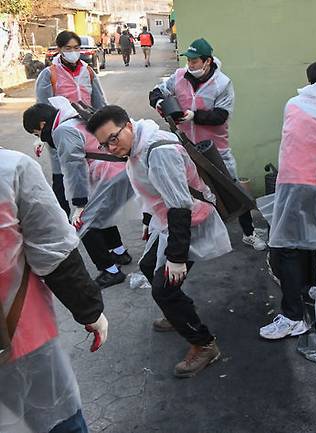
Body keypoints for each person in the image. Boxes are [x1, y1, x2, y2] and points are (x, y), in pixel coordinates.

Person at [87, 105, 232, 378]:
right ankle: (177, 311)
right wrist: (148, 221)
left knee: (164, 289)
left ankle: (204, 344)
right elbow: (152, 190)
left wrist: (177, 258)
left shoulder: (159, 151)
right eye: (105, 144)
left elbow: (180, 207)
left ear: (128, 125)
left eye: (114, 139)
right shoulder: (136, 146)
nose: (110, 148)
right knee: (148, 267)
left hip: (189, 222)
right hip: (166, 221)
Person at [0, 147, 108, 433]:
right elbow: (53, 249)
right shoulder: (11, 169)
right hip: (21, 337)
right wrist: (90, 310)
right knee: (57, 420)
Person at [148, 37, 266, 251]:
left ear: (207, 61)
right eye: (189, 60)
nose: (190, 64)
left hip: (215, 149)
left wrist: (194, 116)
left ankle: (248, 233)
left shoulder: (222, 83)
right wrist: (160, 103)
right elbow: (156, 92)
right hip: (184, 147)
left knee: (232, 189)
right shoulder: (179, 76)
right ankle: (190, 239)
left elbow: (221, 115)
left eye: (194, 61)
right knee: (185, 192)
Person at [259, 61, 316, 339]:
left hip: (292, 184)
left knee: (287, 246)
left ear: (308, 81)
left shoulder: (292, 104)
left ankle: (294, 315)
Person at [23, 97, 134, 289]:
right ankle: (119, 251)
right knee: (99, 215)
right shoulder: (73, 117)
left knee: (83, 223)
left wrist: (79, 204)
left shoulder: (62, 131)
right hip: (117, 171)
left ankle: (110, 270)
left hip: (109, 175)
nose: (41, 138)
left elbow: (74, 168)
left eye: (38, 133)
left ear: (42, 124)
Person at [35, 30, 107, 216]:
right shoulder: (49, 74)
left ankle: (91, 222)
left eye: (76, 48)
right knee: (62, 178)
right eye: (68, 48)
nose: (73, 52)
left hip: (88, 132)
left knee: (89, 178)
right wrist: (42, 137)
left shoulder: (88, 71)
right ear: (59, 49)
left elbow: (100, 103)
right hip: (61, 134)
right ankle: (65, 223)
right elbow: (42, 108)